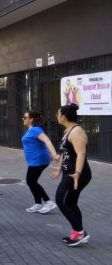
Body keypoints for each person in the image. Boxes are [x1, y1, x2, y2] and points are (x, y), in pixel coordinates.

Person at [51, 104, 91, 246]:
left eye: (58, 114)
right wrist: (59, 168)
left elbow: (81, 154)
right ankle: (78, 232)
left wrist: (77, 173)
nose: (57, 116)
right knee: (70, 202)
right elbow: (65, 152)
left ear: (64, 116)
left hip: (77, 174)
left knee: (61, 200)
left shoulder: (77, 132)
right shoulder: (68, 130)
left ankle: (79, 232)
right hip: (69, 172)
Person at [21, 110, 58, 214]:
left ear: (31, 119)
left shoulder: (36, 130)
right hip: (37, 159)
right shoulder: (30, 129)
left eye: (25, 117)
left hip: (38, 160)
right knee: (32, 181)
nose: (23, 119)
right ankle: (38, 203)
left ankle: (48, 202)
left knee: (31, 181)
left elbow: (47, 140)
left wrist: (54, 154)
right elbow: (38, 144)